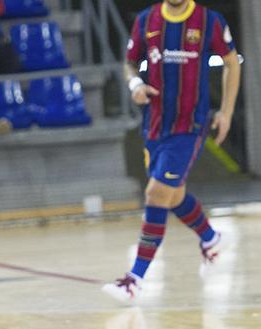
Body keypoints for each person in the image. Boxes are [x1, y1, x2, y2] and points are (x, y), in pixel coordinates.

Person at [102, 0, 241, 302]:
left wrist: (226, 113)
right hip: (154, 127)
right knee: (172, 194)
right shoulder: (145, 20)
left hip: (189, 127)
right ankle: (211, 239)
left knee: (155, 193)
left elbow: (231, 62)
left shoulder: (209, 21)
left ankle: (134, 280)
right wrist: (136, 83)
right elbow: (128, 63)